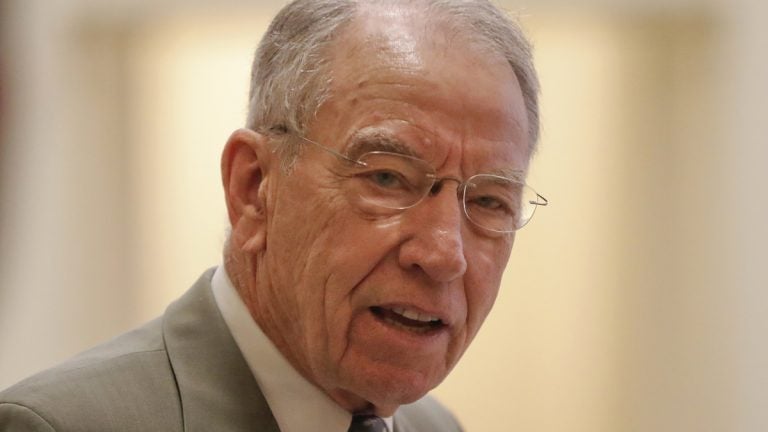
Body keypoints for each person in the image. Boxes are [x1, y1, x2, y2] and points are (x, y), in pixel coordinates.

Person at [0, 0, 546, 430]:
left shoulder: (435, 427)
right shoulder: (62, 425)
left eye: (488, 202)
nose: (443, 254)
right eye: (387, 178)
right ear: (253, 186)